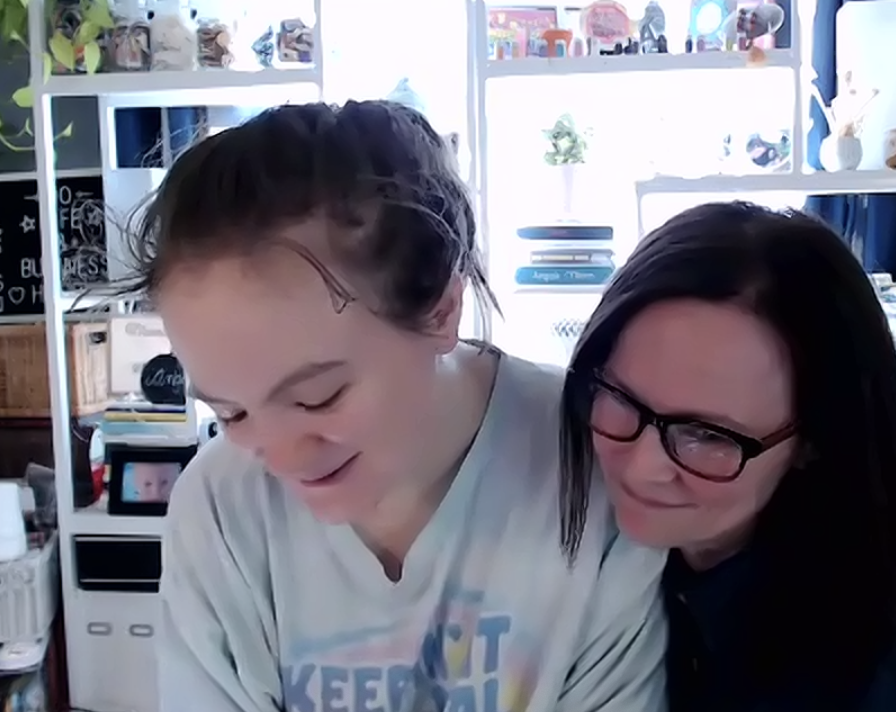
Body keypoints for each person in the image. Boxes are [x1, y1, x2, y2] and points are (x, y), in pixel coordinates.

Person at [124, 100, 667, 712]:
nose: (280, 456)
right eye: (232, 414)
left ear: (440, 309)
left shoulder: (593, 466)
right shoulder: (221, 508)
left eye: (317, 397)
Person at [558, 202, 896, 712]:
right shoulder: (639, 568)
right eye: (620, 397)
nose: (640, 468)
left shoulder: (866, 684)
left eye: (707, 435)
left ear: (813, 441)